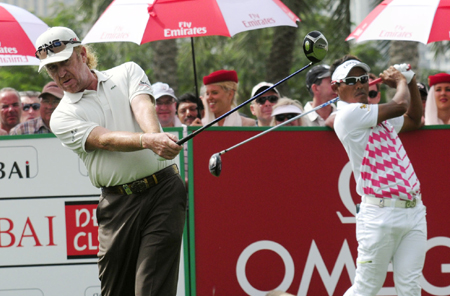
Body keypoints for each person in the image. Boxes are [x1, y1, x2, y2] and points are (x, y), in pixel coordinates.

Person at [35, 26, 185, 296]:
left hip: (164, 191)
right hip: (118, 205)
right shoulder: (62, 115)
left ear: (82, 54)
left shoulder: (127, 71)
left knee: (151, 287)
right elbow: (104, 140)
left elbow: (142, 105)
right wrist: (149, 141)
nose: (60, 74)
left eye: (64, 63)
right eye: (52, 69)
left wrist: (154, 135)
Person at [330, 55, 426, 296]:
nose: (360, 84)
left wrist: (411, 81)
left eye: (363, 79)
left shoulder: (376, 116)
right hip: (379, 216)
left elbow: (414, 119)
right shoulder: (348, 115)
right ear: (335, 88)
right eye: (351, 81)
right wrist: (401, 81)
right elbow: (400, 106)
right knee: (366, 288)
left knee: (410, 288)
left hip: (413, 211)